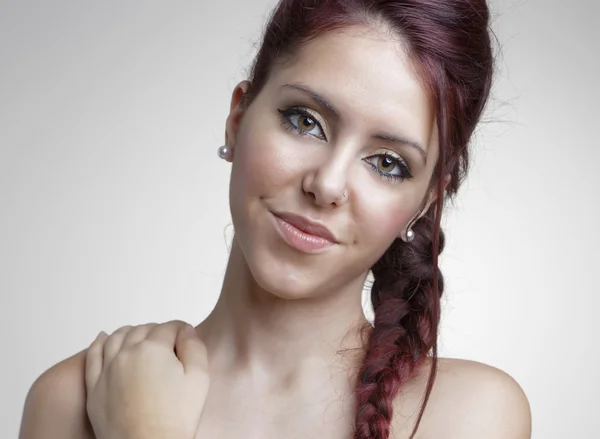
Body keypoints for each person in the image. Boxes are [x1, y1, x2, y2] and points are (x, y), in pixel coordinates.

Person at [18, 0, 532, 438]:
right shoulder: (71, 403)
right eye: (305, 121)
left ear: (424, 201)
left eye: (387, 163)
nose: (327, 185)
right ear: (238, 118)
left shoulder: (470, 417)